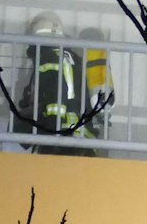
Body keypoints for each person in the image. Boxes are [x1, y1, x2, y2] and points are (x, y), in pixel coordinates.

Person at [13, 13, 94, 155]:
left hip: (62, 136)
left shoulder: (47, 57)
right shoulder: (72, 58)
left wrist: (52, 132)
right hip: (81, 135)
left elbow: (56, 93)